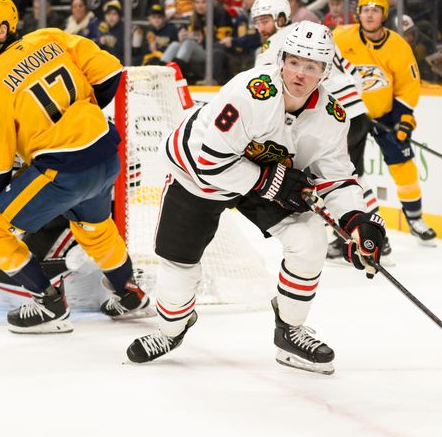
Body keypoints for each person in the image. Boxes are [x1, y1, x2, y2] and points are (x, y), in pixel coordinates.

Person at [125, 21, 386, 375]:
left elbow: (337, 178)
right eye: (295, 62)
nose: (300, 73)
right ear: (281, 60)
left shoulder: (331, 116)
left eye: (311, 67)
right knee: (177, 272)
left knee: (308, 240)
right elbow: (211, 164)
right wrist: (272, 182)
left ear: (324, 72)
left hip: (263, 173)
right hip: (200, 173)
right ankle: (172, 329)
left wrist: (358, 221)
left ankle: (290, 330)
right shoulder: (249, 92)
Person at [0, 0, 152, 334]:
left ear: (2, 30)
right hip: (105, 152)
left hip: (65, 169)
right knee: (94, 228)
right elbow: (109, 74)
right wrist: (76, 115)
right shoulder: (50, 37)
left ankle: (49, 305)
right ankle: (130, 295)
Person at [251, 0, 391, 260]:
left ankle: (364, 236)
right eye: (258, 21)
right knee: (351, 176)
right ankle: (369, 233)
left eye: (266, 20)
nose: (261, 27)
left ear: (281, 18)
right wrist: (354, 104)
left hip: (332, 116)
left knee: (329, 178)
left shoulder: (286, 42)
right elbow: (353, 73)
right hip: (356, 112)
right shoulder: (319, 37)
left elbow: (262, 81)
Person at [334, 0, 437, 245]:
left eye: (375, 10)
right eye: (365, 9)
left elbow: (408, 85)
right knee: (347, 173)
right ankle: (352, 229)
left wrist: (403, 118)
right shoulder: (339, 36)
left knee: (403, 165)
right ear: (358, 13)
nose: (369, 14)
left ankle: (414, 218)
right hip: (349, 116)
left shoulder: (398, 45)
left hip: (385, 115)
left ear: (384, 15)